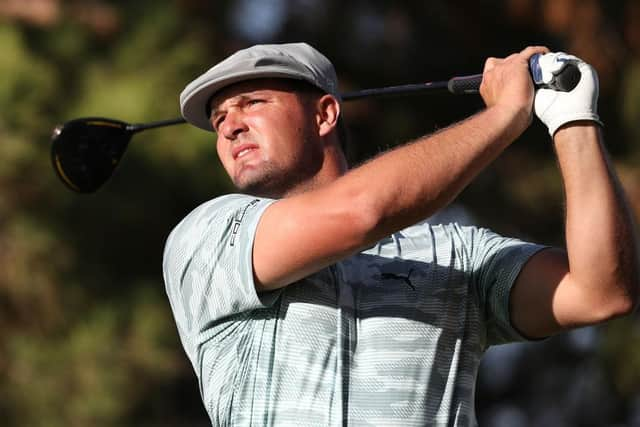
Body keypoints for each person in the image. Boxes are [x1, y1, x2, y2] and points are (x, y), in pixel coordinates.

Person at [162, 42, 638, 426]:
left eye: (252, 103)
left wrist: (572, 119)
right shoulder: (209, 236)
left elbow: (600, 292)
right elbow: (361, 212)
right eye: (220, 119)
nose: (230, 128)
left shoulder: (453, 252)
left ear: (325, 114)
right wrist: (504, 115)